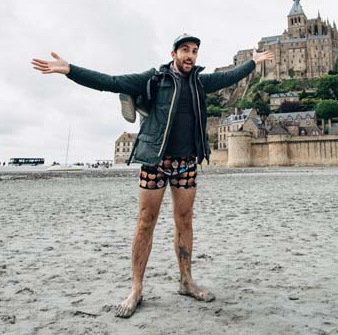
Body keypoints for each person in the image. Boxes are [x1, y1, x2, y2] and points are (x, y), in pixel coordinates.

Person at [31, 34, 273, 318]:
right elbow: (111, 82)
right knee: (146, 222)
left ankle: (186, 281)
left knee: (184, 221)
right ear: (173, 53)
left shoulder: (200, 82)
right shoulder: (155, 78)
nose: (190, 55)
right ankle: (136, 288)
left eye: (194, 51)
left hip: (187, 162)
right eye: (185, 50)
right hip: (155, 160)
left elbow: (231, 76)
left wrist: (253, 63)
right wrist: (71, 70)